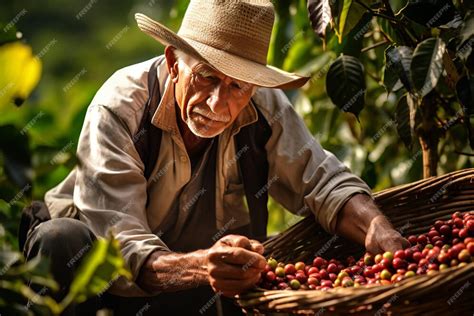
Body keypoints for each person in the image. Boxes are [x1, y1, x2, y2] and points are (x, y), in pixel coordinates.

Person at [24, 1, 408, 315]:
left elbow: (322, 181)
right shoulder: (121, 107)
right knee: (61, 239)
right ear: (174, 62)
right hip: (105, 285)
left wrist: (378, 228)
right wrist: (200, 266)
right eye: (206, 76)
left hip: (191, 285)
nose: (217, 103)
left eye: (237, 86)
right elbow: (118, 246)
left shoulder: (263, 107)